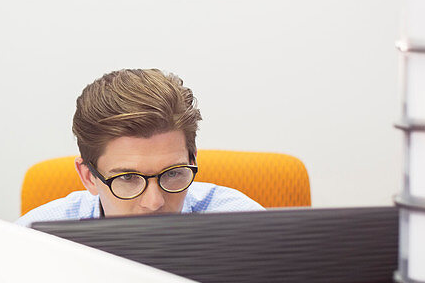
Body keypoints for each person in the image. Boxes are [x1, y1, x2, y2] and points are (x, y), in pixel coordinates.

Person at [16, 68, 262, 226]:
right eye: (128, 177)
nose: (154, 202)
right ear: (89, 177)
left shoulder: (248, 227)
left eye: (173, 173)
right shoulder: (33, 241)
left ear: (193, 161)